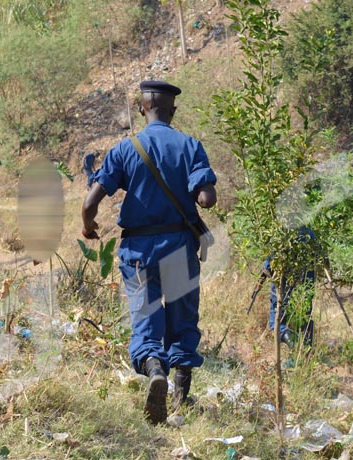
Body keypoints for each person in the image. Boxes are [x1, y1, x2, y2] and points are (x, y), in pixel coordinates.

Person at [81, 80, 217, 425]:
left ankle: (155, 369)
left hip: (139, 250)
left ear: (142, 109)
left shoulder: (126, 149)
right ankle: (181, 397)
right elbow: (206, 199)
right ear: (172, 110)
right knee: (183, 320)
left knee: (145, 317)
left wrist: (88, 226)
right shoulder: (190, 146)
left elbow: (90, 203)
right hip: (179, 248)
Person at [265, 227, 320, 349]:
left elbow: (271, 260)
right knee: (304, 315)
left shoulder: (280, 232)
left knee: (276, 322)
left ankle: (294, 346)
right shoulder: (308, 233)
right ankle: (303, 352)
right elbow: (320, 255)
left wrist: (267, 267)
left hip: (285, 280)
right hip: (305, 286)